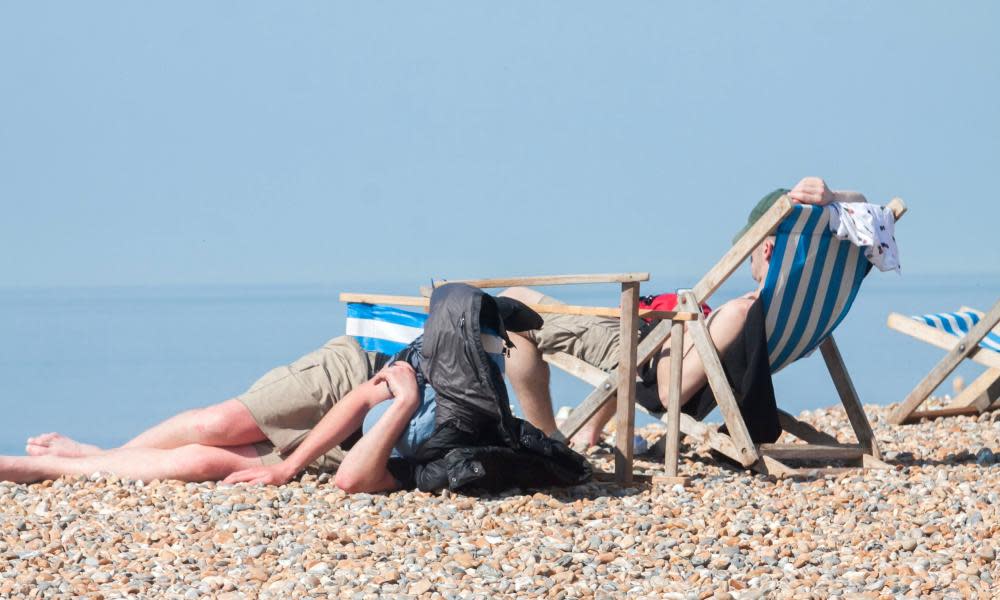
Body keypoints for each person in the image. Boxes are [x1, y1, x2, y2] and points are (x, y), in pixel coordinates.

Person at [501, 177, 868, 447]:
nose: (750, 263)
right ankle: (587, 431)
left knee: (512, 310)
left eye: (751, 252)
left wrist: (671, 329)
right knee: (523, 305)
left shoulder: (740, 312)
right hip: (659, 340)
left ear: (767, 250)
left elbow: (666, 392)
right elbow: (868, 208)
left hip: (645, 346)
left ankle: (546, 444)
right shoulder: (786, 312)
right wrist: (835, 197)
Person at [0, 333, 422, 490]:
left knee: (203, 460)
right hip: (353, 377)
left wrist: (405, 407)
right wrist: (289, 467)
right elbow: (363, 396)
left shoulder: (479, 453)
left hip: (367, 439)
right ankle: (97, 456)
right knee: (217, 425)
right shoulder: (470, 369)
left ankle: (51, 466)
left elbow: (355, 480)